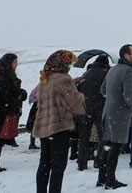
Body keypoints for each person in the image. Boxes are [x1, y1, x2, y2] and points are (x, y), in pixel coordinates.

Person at [32, 49, 85, 193]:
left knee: (44, 164)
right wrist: (80, 94)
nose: (69, 66)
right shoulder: (63, 79)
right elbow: (75, 104)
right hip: (59, 127)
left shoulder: (45, 78)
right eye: (68, 63)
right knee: (58, 166)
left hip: (45, 127)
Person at [97, 44, 132, 190]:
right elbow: (128, 95)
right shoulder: (129, 71)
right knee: (115, 147)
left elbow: (102, 89)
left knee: (107, 145)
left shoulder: (112, 69)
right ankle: (110, 180)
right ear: (126, 55)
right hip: (119, 114)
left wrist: (111, 100)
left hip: (107, 112)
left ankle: (102, 178)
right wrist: (130, 108)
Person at [75, 55, 109, 171]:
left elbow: (79, 89)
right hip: (101, 109)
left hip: (85, 109)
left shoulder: (87, 73)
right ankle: (99, 161)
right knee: (103, 137)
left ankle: (81, 163)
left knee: (84, 137)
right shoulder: (107, 73)